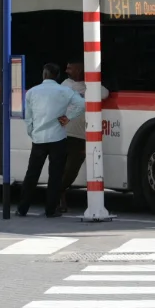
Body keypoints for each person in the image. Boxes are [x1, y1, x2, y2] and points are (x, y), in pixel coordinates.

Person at [18, 62, 85, 218]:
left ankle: (22, 208)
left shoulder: (32, 92)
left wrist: (32, 133)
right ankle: (51, 210)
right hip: (58, 138)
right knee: (55, 176)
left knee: (32, 174)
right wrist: (68, 118)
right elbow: (82, 104)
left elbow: (28, 118)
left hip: (39, 139)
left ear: (44, 74)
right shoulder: (64, 91)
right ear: (58, 76)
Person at [58, 60, 110, 214]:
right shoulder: (64, 85)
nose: (67, 70)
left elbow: (105, 93)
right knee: (61, 168)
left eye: (71, 67)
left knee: (71, 170)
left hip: (80, 136)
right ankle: (58, 198)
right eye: (66, 67)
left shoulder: (92, 86)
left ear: (81, 69)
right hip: (63, 133)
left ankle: (57, 192)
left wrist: (89, 81)